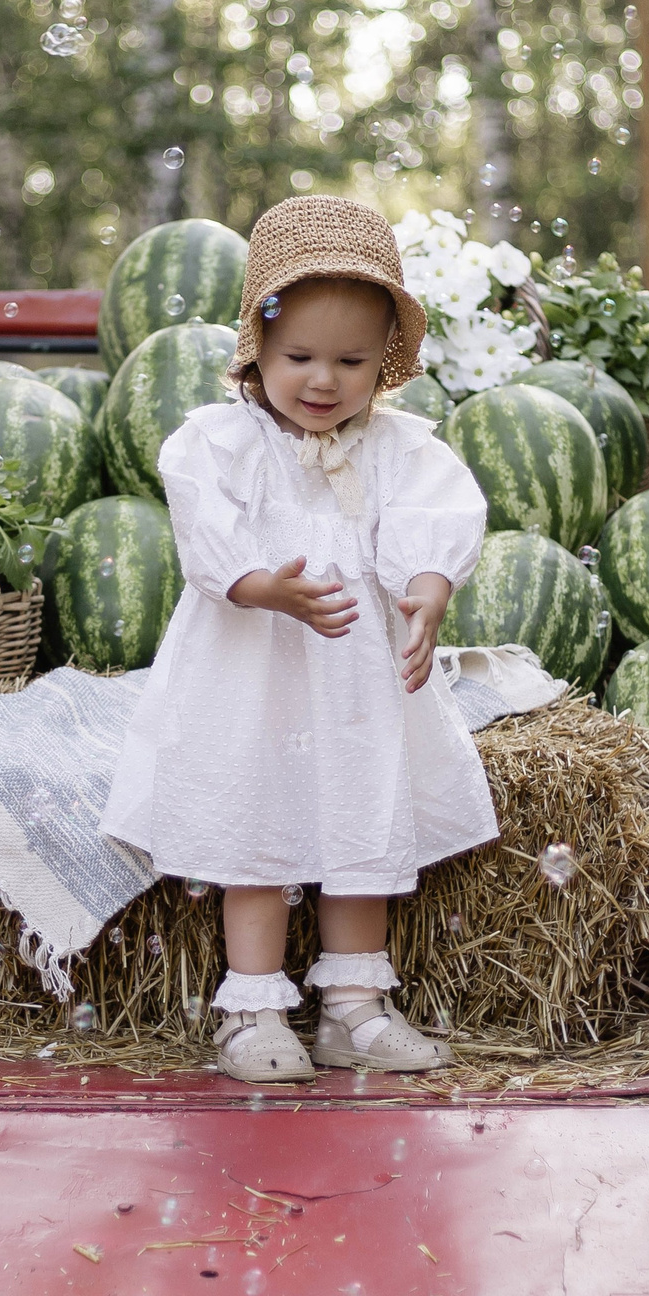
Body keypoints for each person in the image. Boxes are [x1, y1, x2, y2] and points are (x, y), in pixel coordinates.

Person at [100, 196, 499, 1084]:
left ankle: (355, 1007)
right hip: (255, 674)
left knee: (363, 818)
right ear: (257, 347)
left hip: (358, 676)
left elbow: (433, 516)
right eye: (300, 358)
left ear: (384, 362)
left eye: (352, 361)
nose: (324, 380)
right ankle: (252, 1005)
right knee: (258, 824)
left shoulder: (398, 447)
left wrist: (428, 590)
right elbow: (208, 534)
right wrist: (264, 585)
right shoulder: (223, 441)